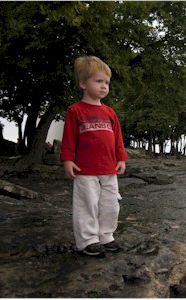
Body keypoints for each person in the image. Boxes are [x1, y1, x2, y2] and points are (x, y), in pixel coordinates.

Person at [60, 56, 128, 256]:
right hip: (85, 169)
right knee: (86, 204)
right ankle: (88, 240)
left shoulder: (109, 112)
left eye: (106, 82)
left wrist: (121, 158)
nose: (104, 86)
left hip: (109, 168)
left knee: (110, 204)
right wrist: (67, 160)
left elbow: (117, 138)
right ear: (83, 83)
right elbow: (69, 139)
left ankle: (106, 235)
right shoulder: (75, 111)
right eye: (98, 81)